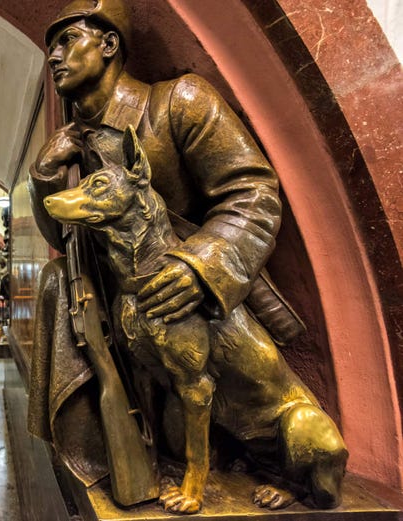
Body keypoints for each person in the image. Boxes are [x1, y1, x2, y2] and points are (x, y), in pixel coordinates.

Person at [27, 0, 345, 513]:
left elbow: (253, 193)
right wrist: (44, 175)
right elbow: (65, 234)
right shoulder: (74, 142)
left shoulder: (180, 102)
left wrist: (199, 266)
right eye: (50, 47)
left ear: (108, 45)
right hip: (122, 308)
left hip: (191, 309)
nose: (55, 57)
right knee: (53, 281)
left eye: (67, 41)